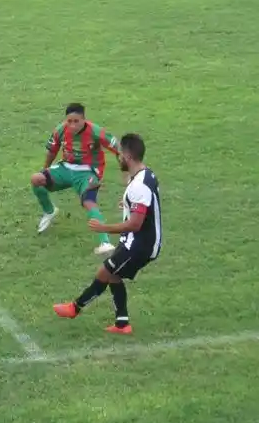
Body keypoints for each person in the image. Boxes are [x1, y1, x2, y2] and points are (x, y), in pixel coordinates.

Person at [54, 133, 162, 335]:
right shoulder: (146, 174)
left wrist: (104, 228)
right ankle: (122, 323)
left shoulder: (139, 185)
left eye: (120, 154)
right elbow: (147, 203)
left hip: (140, 245)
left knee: (105, 272)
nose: (118, 157)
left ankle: (75, 308)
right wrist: (129, 204)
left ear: (128, 157)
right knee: (113, 275)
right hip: (137, 241)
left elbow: (135, 224)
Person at [31, 103, 123, 256]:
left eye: (76, 121)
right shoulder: (61, 130)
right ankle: (50, 211)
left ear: (84, 120)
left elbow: (119, 149)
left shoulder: (96, 132)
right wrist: (45, 169)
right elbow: (52, 150)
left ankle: (105, 242)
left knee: (89, 202)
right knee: (36, 179)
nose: (72, 125)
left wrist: (127, 172)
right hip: (66, 168)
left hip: (88, 172)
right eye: (69, 121)